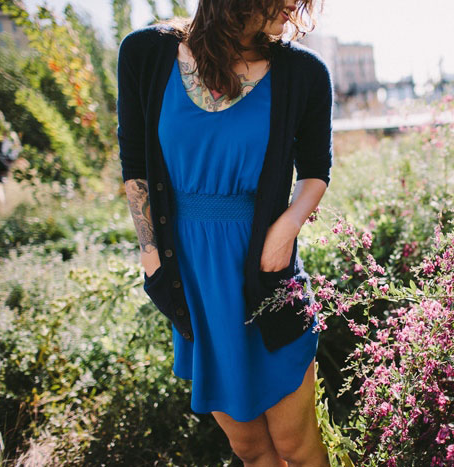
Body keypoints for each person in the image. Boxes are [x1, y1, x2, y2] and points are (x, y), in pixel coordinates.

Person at [116, 1, 333, 465]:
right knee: (250, 449)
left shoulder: (303, 73)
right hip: (190, 279)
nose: (293, 15)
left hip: (267, 273)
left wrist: (288, 225)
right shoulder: (145, 54)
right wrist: (150, 253)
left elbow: (316, 170)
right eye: (286, 3)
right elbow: (134, 164)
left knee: (298, 445)